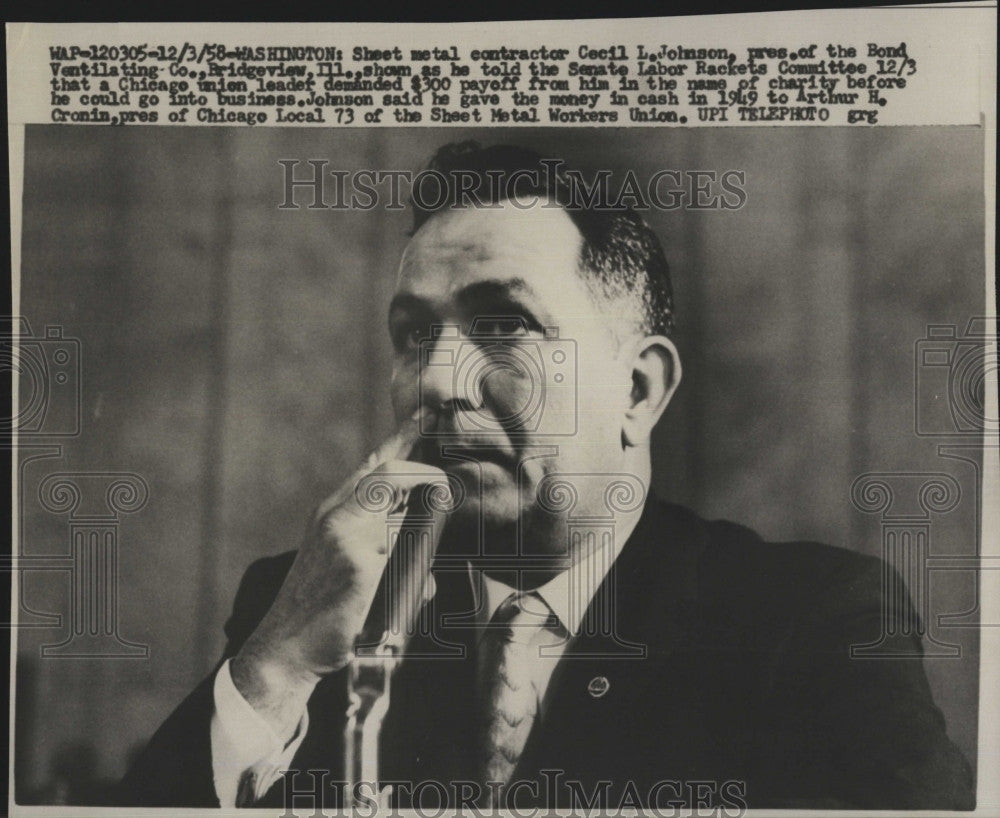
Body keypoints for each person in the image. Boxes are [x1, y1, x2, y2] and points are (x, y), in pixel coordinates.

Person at [119, 142, 974, 811]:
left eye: (503, 324)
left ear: (637, 390)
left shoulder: (809, 621)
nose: (439, 381)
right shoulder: (301, 606)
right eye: (414, 334)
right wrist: (276, 664)